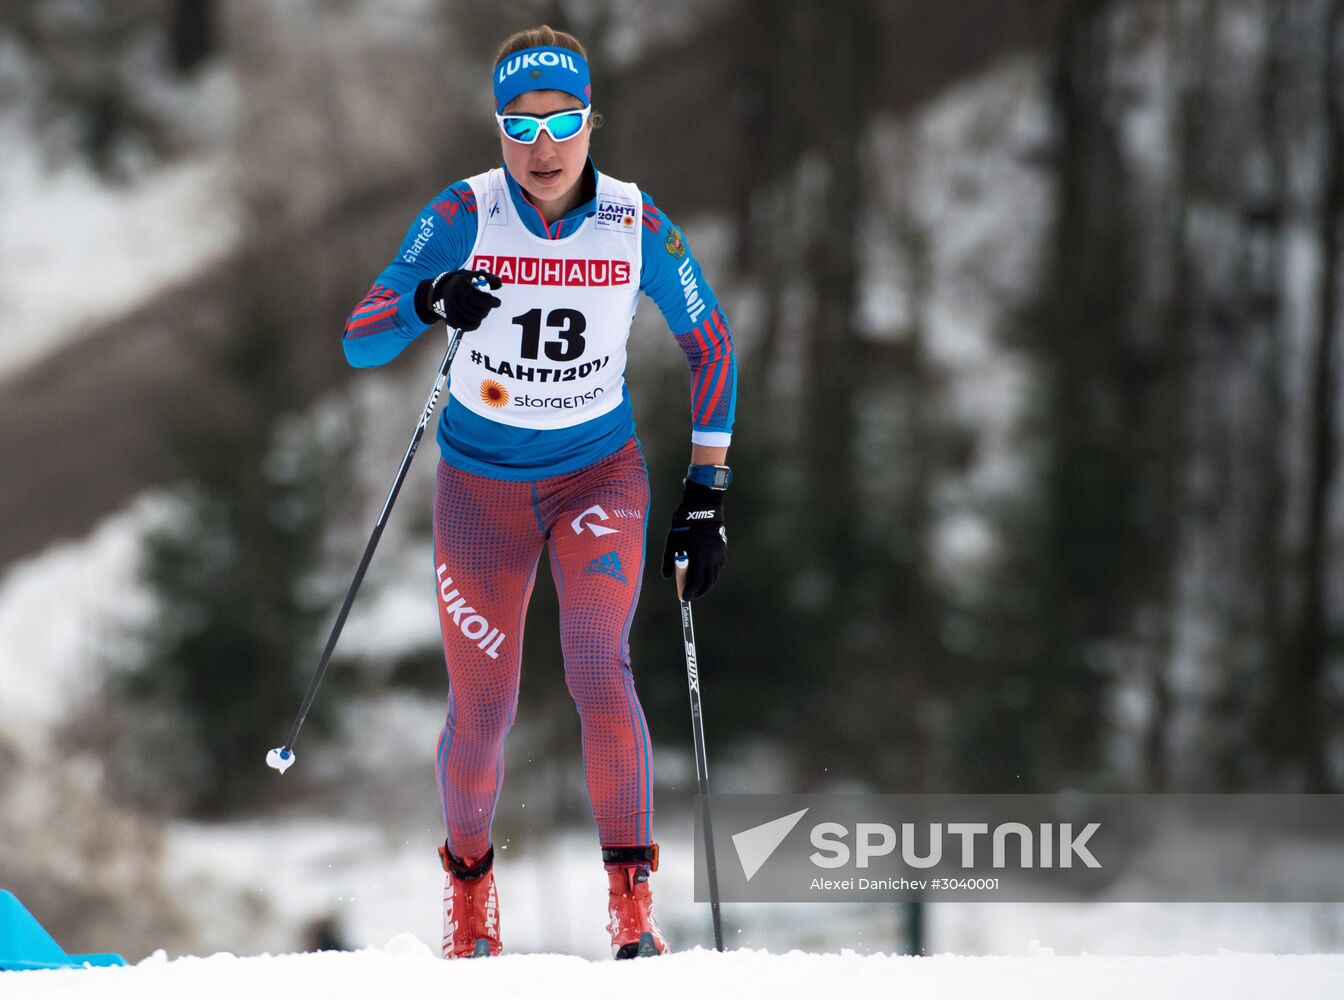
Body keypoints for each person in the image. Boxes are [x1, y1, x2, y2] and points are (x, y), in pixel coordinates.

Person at [341, 25, 736, 959]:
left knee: (599, 664)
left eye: (562, 123)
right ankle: (471, 897)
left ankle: (634, 910)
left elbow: (710, 341)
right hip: (481, 495)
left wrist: (707, 490)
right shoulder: (461, 214)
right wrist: (429, 297)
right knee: (484, 711)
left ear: (592, 122)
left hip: (598, 478)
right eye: (521, 126)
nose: (543, 147)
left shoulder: (637, 223)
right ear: (498, 131)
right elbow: (361, 334)